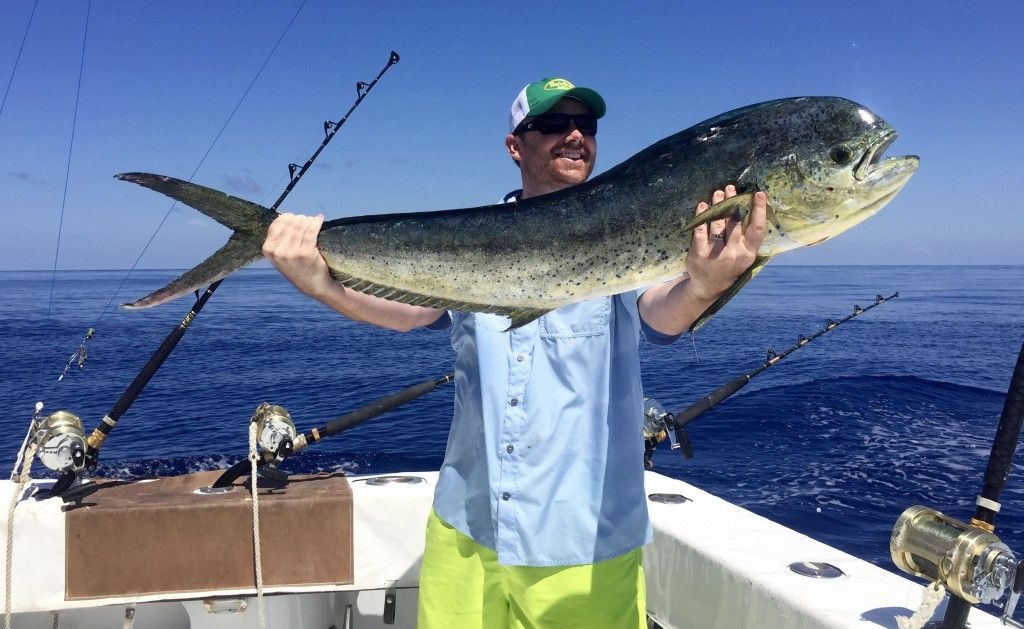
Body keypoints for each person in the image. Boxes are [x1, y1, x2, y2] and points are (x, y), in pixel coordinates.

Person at [262, 77, 766, 628]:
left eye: (586, 126)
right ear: (515, 146)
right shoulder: (476, 239)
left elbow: (660, 312)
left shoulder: (630, 227)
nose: (574, 135)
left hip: (583, 544)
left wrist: (704, 284)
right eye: (552, 125)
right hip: (467, 530)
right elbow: (413, 312)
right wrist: (321, 285)